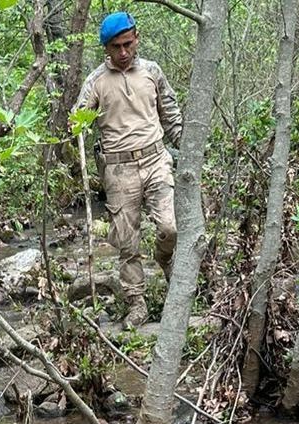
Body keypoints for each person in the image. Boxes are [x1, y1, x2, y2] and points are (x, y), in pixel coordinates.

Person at [74, 11, 183, 327]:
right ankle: (136, 305)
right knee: (127, 242)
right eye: (115, 47)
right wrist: (78, 122)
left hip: (155, 159)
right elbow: (78, 119)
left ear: (136, 38)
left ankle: (165, 258)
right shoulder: (96, 81)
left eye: (127, 44)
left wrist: (188, 145)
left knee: (169, 228)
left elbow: (171, 116)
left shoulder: (152, 72)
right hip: (119, 169)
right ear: (106, 48)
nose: (123, 53)